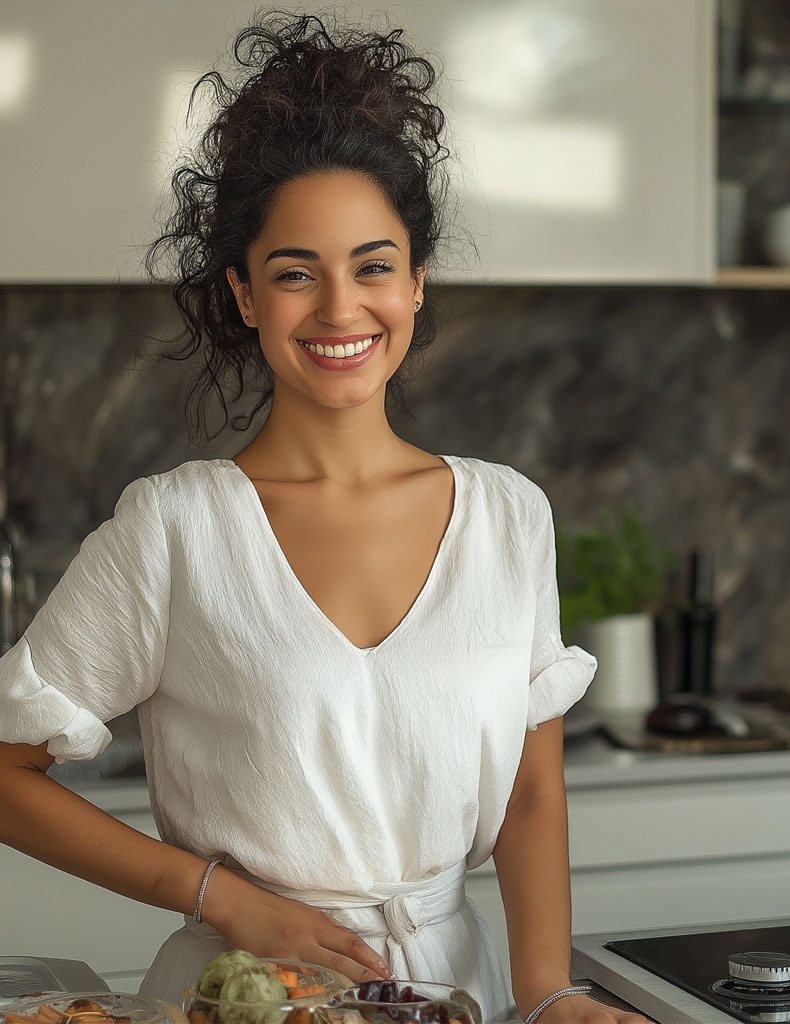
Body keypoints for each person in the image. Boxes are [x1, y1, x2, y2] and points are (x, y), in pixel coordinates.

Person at [0, 13, 649, 1024]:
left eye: (374, 265)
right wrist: (217, 897)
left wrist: (550, 988)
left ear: (417, 283)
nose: (341, 308)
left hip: (450, 994)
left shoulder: (508, 516)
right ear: (246, 295)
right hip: (239, 997)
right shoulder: (174, 529)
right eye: (296, 271)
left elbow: (528, 794)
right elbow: (6, 772)